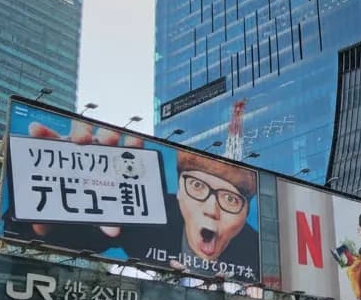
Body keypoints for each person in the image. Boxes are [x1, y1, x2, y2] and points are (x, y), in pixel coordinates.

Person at [14, 119, 260, 278]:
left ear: (246, 212)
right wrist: (49, 208)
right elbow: (39, 236)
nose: (211, 209)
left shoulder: (255, 253)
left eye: (230, 199)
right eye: (197, 186)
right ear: (180, 193)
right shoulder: (149, 212)